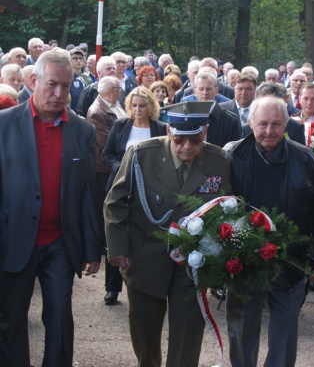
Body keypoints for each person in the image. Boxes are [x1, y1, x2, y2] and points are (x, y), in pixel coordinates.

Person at [104, 101, 232, 367]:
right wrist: (118, 249)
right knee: (145, 334)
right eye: (180, 140)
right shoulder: (142, 154)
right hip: (145, 257)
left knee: (187, 337)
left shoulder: (218, 160)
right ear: (168, 130)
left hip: (193, 265)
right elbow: (115, 202)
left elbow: (227, 208)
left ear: (205, 133)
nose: (187, 147)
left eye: (195, 141)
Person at [0, 50, 101, 366]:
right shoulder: (4, 125)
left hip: (59, 241)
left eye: (66, 86)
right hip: (13, 239)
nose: (60, 94)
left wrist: (91, 248)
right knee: (10, 322)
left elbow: (87, 192)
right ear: (33, 81)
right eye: (52, 85)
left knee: (59, 318)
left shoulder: (82, 131)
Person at [224, 96, 314, 367]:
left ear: (287, 123)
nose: (269, 131)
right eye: (262, 124)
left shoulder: (306, 159)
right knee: (241, 327)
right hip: (244, 259)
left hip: (291, 259)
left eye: (276, 124)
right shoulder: (231, 155)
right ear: (250, 123)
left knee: (284, 332)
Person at [86, 76, 127, 306]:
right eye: (119, 88)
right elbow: (105, 146)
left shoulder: (115, 106)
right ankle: (112, 286)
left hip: (121, 170)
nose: (121, 92)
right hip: (107, 172)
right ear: (112, 90)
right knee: (111, 224)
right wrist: (124, 166)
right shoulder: (97, 111)